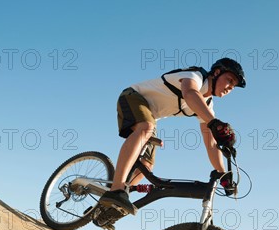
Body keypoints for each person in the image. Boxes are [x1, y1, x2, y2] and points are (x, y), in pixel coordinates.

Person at [99, 57, 245, 215]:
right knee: (146, 127)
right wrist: (214, 122)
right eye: (229, 80)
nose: (230, 87)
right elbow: (190, 93)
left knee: (146, 166)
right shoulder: (195, 76)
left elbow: (210, 143)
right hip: (133, 96)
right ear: (216, 73)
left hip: (150, 117)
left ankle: (109, 209)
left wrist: (222, 173)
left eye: (234, 86)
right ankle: (116, 189)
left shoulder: (207, 105)